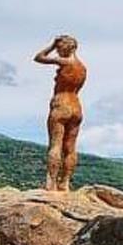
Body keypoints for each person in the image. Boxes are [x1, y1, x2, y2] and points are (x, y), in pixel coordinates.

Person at [34, 35, 87, 191]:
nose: (57, 51)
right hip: (76, 106)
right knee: (70, 147)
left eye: (59, 48)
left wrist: (51, 45)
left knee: (55, 145)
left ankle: (51, 183)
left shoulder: (65, 62)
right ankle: (65, 183)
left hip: (61, 103)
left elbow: (39, 57)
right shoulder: (82, 68)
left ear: (67, 47)